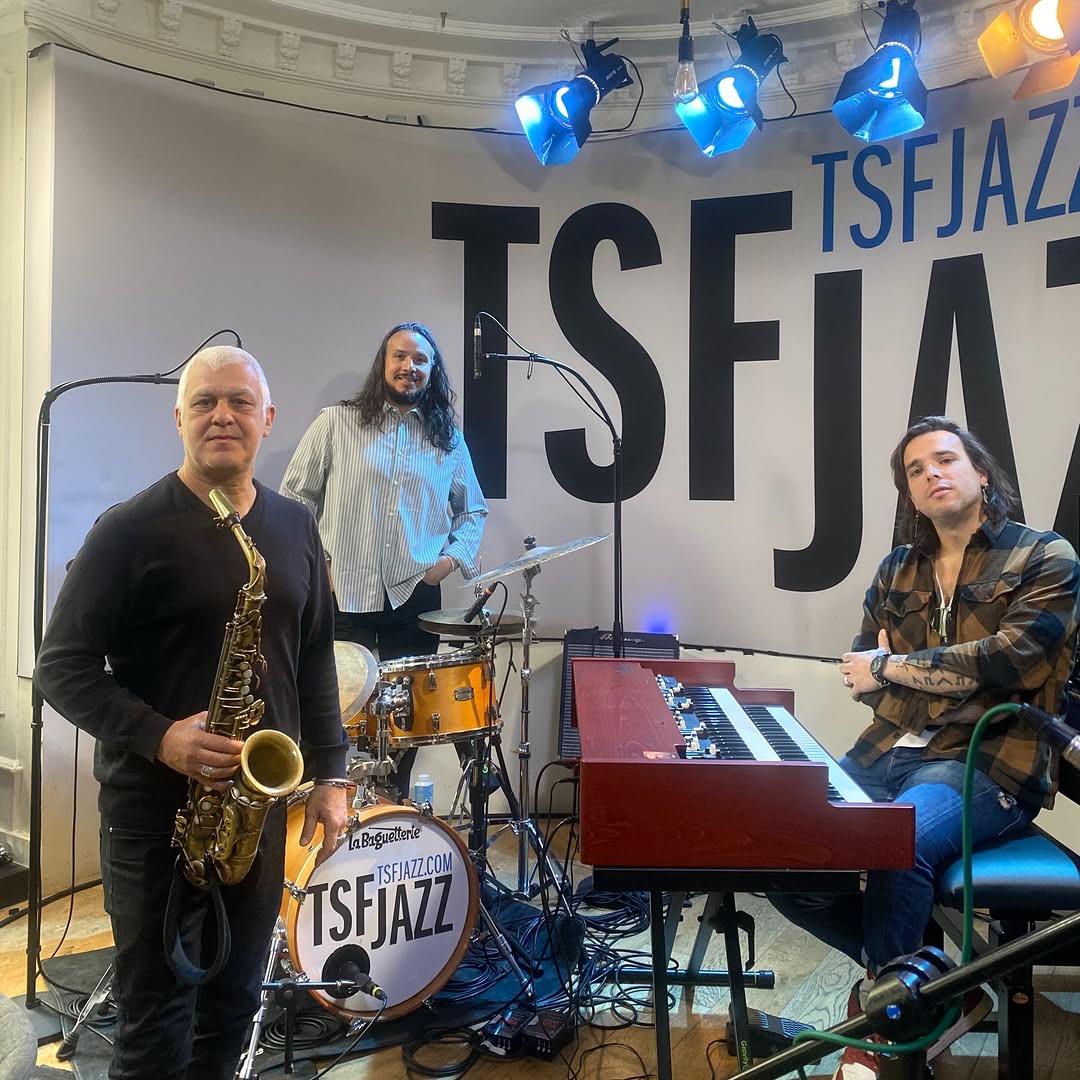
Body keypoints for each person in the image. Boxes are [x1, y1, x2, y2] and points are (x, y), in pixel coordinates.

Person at [35, 346, 349, 1080]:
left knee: (234, 1009)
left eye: (240, 402)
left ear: (268, 418)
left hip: (255, 813)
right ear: (178, 417)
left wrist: (332, 776)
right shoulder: (128, 530)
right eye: (205, 402)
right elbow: (60, 667)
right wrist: (161, 737)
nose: (222, 416)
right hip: (154, 816)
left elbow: (314, 661)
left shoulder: (295, 527)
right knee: (156, 1021)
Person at [771, 416, 1080, 1080]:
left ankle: (888, 1029)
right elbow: (863, 676)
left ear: (982, 473)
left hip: (993, 758)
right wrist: (937, 678)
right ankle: (932, 988)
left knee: (898, 839)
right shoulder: (897, 570)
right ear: (909, 493)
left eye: (945, 459)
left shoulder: (1045, 556)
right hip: (889, 748)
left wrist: (898, 668)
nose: (931, 473)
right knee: (782, 847)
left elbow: (1013, 660)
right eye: (915, 470)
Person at [280, 322, 488, 800]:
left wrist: (448, 561)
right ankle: (325, 810)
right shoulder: (336, 423)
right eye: (400, 356)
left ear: (432, 371)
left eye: (420, 360)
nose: (409, 367)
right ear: (384, 363)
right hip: (341, 591)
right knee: (331, 710)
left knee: (405, 717)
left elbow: (473, 510)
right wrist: (318, 565)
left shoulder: (447, 439)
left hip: (415, 594)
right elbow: (294, 499)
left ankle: (392, 808)